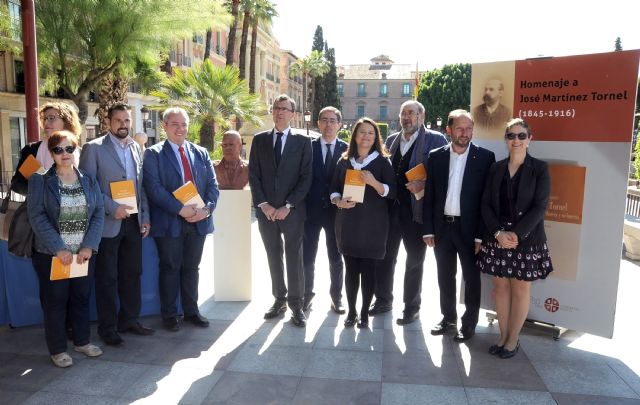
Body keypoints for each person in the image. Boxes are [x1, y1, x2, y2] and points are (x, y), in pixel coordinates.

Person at [26, 130, 105, 368]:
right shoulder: (40, 179)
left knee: (81, 298)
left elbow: (98, 212)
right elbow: (37, 216)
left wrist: (89, 246)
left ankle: (82, 341)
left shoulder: (89, 179)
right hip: (52, 255)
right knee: (55, 302)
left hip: (82, 255)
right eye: (58, 150)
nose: (65, 154)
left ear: (76, 150)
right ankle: (58, 349)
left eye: (69, 148)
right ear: (51, 154)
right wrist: (59, 248)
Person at [477, 118, 554, 359]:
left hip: (526, 238)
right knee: (500, 287)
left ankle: (513, 340)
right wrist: (499, 233)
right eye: (511, 136)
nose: (516, 140)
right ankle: (502, 336)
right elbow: (486, 204)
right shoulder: (496, 168)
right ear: (506, 140)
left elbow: (540, 207)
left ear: (530, 139)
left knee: (520, 289)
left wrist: (517, 235)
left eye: (521, 136)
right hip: (498, 236)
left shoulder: (540, 169)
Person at [79, 103, 154, 346]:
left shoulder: (136, 147)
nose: (123, 124)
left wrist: (144, 217)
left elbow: (140, 186)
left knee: (133, 274)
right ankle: (108, 328)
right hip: (107, 224)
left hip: (133, 223)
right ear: (108, 122)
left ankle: (129, 320)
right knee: (107, 278)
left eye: (127, 120)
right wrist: (113, 207)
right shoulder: (93, 148)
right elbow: (87, 188)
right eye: (118, 120)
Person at [142, 107, 219, 332]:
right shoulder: (153, 154)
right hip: (170, 222)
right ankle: (169, 314)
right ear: (164, 126)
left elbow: (213, 186)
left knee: (192, 268)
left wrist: (207, 210)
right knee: (170, 267)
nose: (180, 128)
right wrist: (180, 209)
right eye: (174, 124)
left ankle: (191, 311)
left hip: (199, 220)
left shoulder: (201, 152)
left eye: (183, 124)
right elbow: (154, 188)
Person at [422, 110, 495, 342]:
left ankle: (469, 323)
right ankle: (448, 318)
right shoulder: (435, 156)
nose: (465, 133)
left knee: (472, 279)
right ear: (449, 130)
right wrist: (428, 229)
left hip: (470, 230)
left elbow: (487, 199)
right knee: (445, 276)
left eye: (469, 129)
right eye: (460, 129)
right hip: (443, 228)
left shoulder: (485, 157)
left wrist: (481, 236)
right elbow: (430, 194)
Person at [372, 100, 447, 325]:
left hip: (416, 213)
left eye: (412, 113)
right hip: (390, 211)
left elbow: (445, 176)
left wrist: (424, 185)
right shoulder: (392, 140)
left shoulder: (436, 140)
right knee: (384, 258)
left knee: (414, 260)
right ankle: (383, 300)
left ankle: (411, 307)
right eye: (403, 113)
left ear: (421, 117)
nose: (406, 117)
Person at [248, 94, 312, 327]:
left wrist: (288, 206)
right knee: (273, 256)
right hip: (266, 213)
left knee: (294, 258)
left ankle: (297, 305)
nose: (280, 112)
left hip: (292, 213)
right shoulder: (259, 140)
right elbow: (253, 174)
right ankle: (279, 300)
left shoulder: (303, 142)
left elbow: (306, 178)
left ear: (292, 114)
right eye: (276, 108)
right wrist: (263, 204)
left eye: (285, 108)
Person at [330, 117, 396, 328]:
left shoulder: (383, 161)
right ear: (355, 136)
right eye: (362, 132)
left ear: (376, 137)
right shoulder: (344, 161)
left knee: (368, 271)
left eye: (370, 132)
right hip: (348, 223)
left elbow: (392, 192)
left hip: (373, 226)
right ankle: (351, 313)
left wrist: (374, 182)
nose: (366, 136)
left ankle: (365, 314)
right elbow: (333, 188)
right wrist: (338, 201)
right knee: (350, 270)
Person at [302, 106, 348, 314]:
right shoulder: (306, 147)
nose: (328, 124)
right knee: (307, 257)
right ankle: (305, 296)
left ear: (339, 124)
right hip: (309, 212)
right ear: (318, 123)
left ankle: (336, 298)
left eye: (332, 120)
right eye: (324, 120)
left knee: (336, 258)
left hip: (336, 213)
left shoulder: (348, 150)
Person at [11, 102, 82, 195]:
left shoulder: (81, 152)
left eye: (51, 118)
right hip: (40, 207)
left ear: (66, 121)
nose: (46, 122)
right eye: (44, 119)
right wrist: (42, 190)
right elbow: (17, 184)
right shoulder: (31, 150)